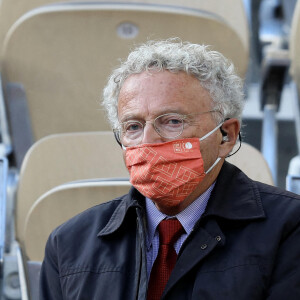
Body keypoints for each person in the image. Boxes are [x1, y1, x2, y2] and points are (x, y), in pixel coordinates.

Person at [40, 39, 300, 299]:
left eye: (173, 121)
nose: (148, 141)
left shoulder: (289, 228)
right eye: (133, 126)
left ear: (226, 135)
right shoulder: (70, 244)